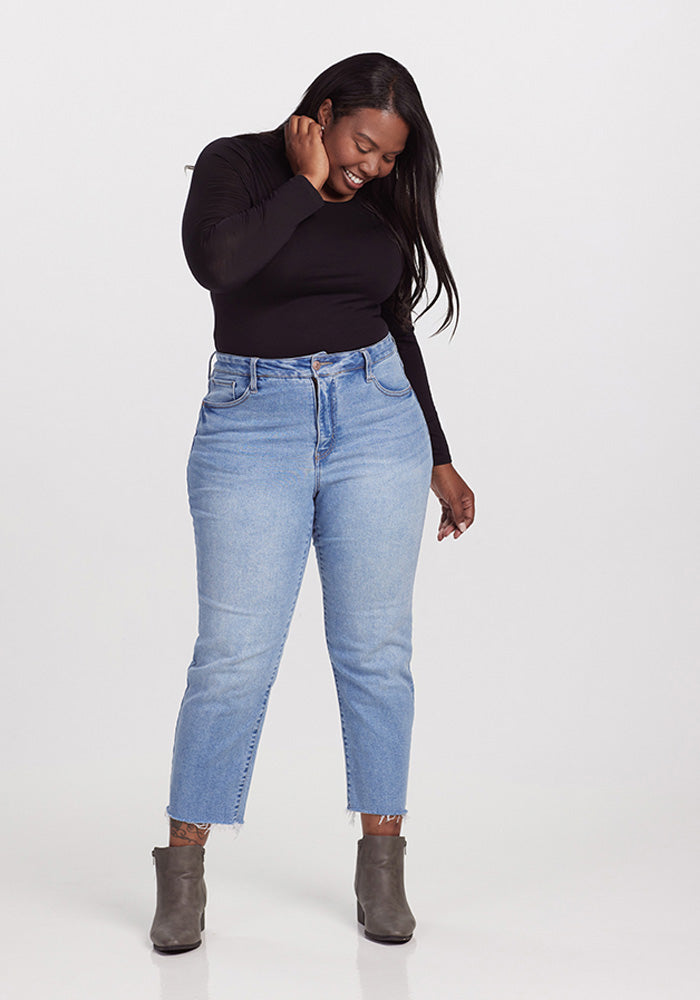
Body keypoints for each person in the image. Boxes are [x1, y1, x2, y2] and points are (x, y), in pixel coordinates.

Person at [149, 51, 475, 954]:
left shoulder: (380, 194)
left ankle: (383, 870)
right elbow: (219, 266)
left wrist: (439, 457)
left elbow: (392, 319)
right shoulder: (238, 166)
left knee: (376, 654)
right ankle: (183, 875)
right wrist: (305, 184)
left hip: (377, 419)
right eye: (363, 145)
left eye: (389, 158)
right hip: (254, 422)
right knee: (232, 659)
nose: (374, 167)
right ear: (323, 113)